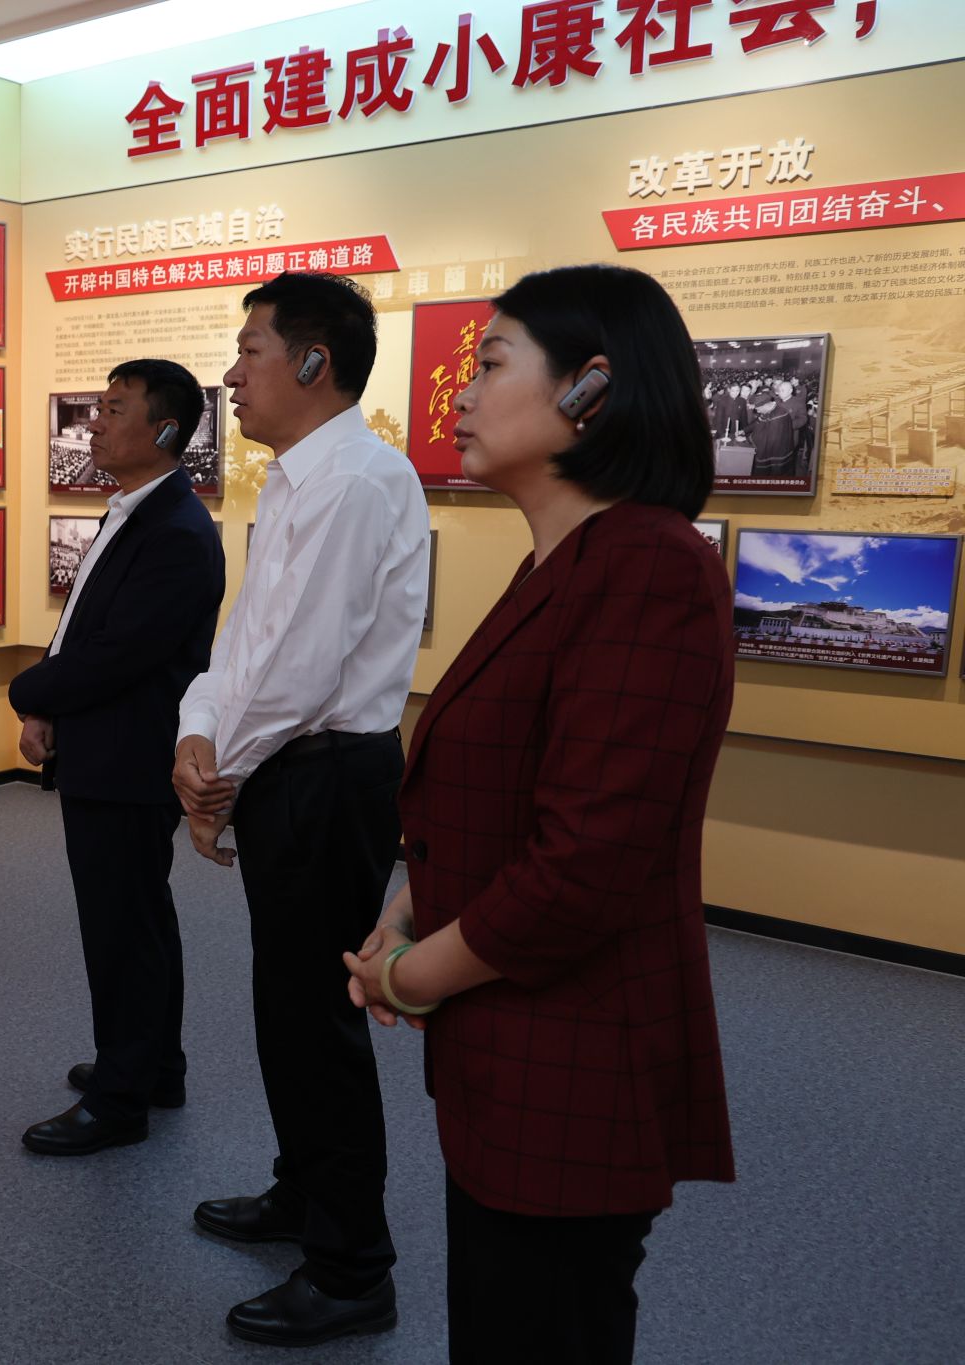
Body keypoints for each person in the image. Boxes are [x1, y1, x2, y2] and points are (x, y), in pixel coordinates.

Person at [343, 264, 735, 1365]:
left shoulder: (648, 567)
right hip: (511, 1043)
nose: (460, 394)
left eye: (489, 363)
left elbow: (584, 866)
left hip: (575, 1058)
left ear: (589, 388)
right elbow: (515, 793)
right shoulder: (564, 561)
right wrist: (411, 905)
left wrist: (406, 976)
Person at [171, 272, 429, 1349]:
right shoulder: (293, 479)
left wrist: (213, 781)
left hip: (324, 775)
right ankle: (303, 1192)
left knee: (318, 1020)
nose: (231, 375)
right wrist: (196, 735)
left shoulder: (356, 482)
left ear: (314, 362)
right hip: (281, 765)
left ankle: (352, 1265)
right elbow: (245, 641)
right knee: (285, 1004)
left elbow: (302, 670)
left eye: (250, 350)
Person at [8, 359, 226, 1155]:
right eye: (96, 407)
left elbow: (116, 655)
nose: (92, 423)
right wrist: (47, 703)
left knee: (121, 927)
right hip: (108, 747)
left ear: (164, 429)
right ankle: (152, 1065)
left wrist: (27, 689)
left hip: (131, 757)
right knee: (138, 914)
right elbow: (83, 630)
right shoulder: (133, 511)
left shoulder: (175, 532)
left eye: (112, 409)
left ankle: (119, 1099)